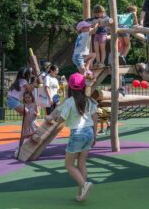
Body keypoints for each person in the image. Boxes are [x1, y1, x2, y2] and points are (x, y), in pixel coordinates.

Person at [47, 73, 98, 202]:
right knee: (82, 162)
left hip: (78, 134)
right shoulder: (89, 100)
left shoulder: (70, 102)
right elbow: (95, 118)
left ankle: (84, 185)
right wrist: (95, 135)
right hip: (89, 132)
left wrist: (51, 120)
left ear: (69, 87)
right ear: (83, 86)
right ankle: (82, 193)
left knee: (69, 165)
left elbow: (61, 118)